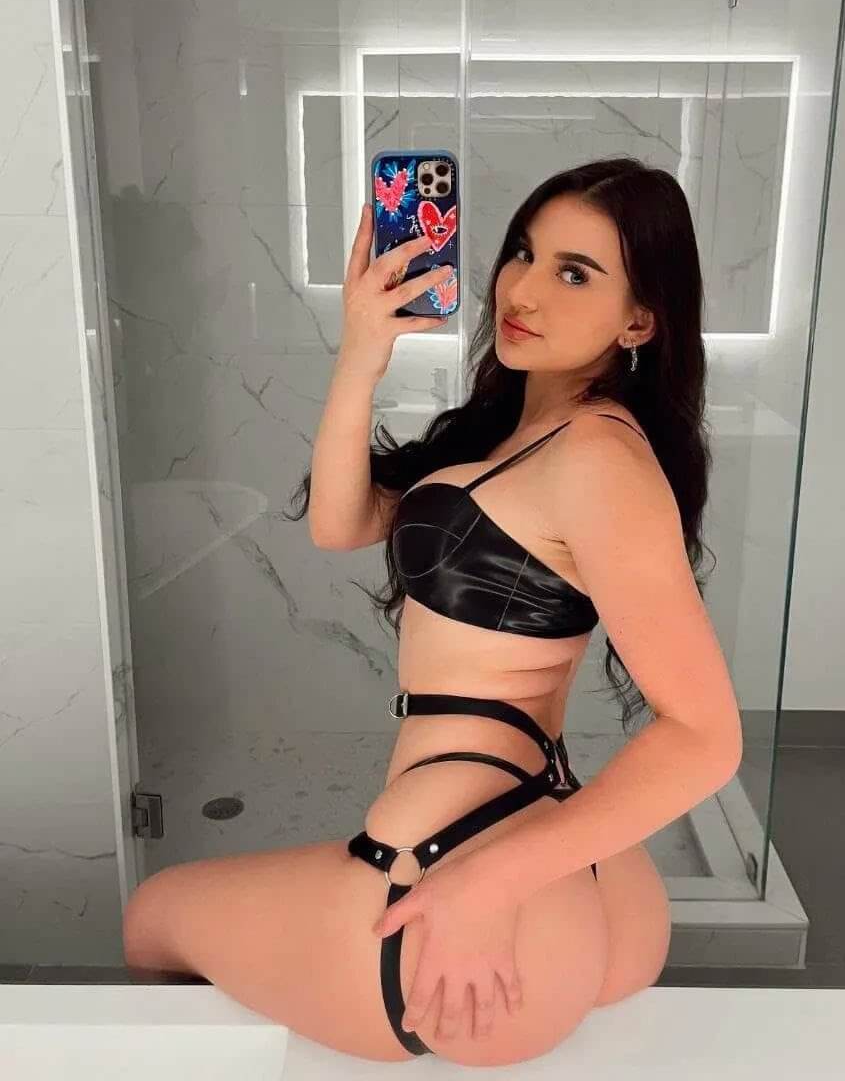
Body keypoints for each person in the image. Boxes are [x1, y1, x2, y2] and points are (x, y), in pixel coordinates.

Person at [121, 156, 742, 1067]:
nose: (523, 289)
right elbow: (341, 522)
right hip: (566, 856)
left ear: (640, 320)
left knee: (152, 915)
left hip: (463, 864)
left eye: (575, 273)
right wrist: (362, 352)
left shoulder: (598, 461)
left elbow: (706, 738)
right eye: (524, 252)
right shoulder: (527, 432)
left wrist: (485, 886)